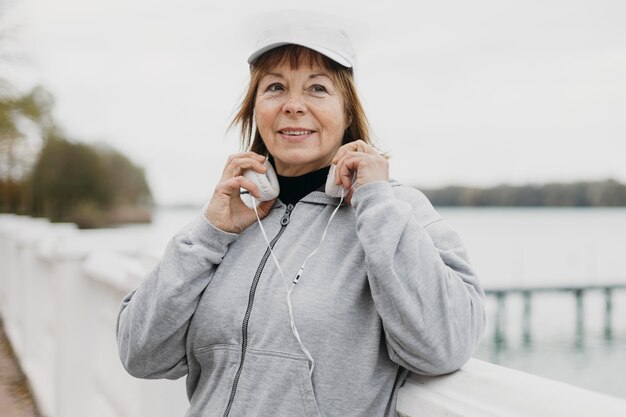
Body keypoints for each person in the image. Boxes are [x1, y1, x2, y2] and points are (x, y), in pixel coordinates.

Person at [116, 11, 485, 417]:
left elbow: (447, 343)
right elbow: (140, 354)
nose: (294, 106)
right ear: (255, 109)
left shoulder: (396, 210)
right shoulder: (231, 219)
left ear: (347, 113)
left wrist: (376, 203)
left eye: (317, 89)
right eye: (275, 87)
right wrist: (208, 233)